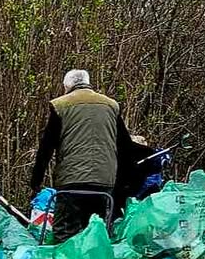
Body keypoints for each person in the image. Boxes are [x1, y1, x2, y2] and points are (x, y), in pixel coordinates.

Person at [30, 69, 132, 241]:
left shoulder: (61, 105)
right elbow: (125, 146)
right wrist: (123, 184)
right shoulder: (111, 105)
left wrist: (36, 181)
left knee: (64, 231)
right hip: (103, 181)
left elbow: (46, 147)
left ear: (66, 86)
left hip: (71, 181)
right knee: (94, 232)